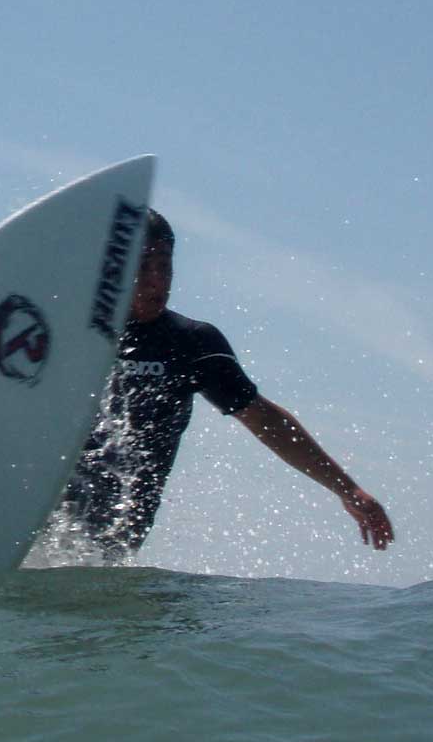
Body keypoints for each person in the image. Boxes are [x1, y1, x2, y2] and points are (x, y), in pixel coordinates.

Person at [62, 208, 394, 560]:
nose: (157, 280)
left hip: (112, 548)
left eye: (165, 265)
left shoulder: (191, 343)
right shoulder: (69, 332)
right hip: (43, 511)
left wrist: (347, 489)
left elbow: (265, 420)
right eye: (143, 267)